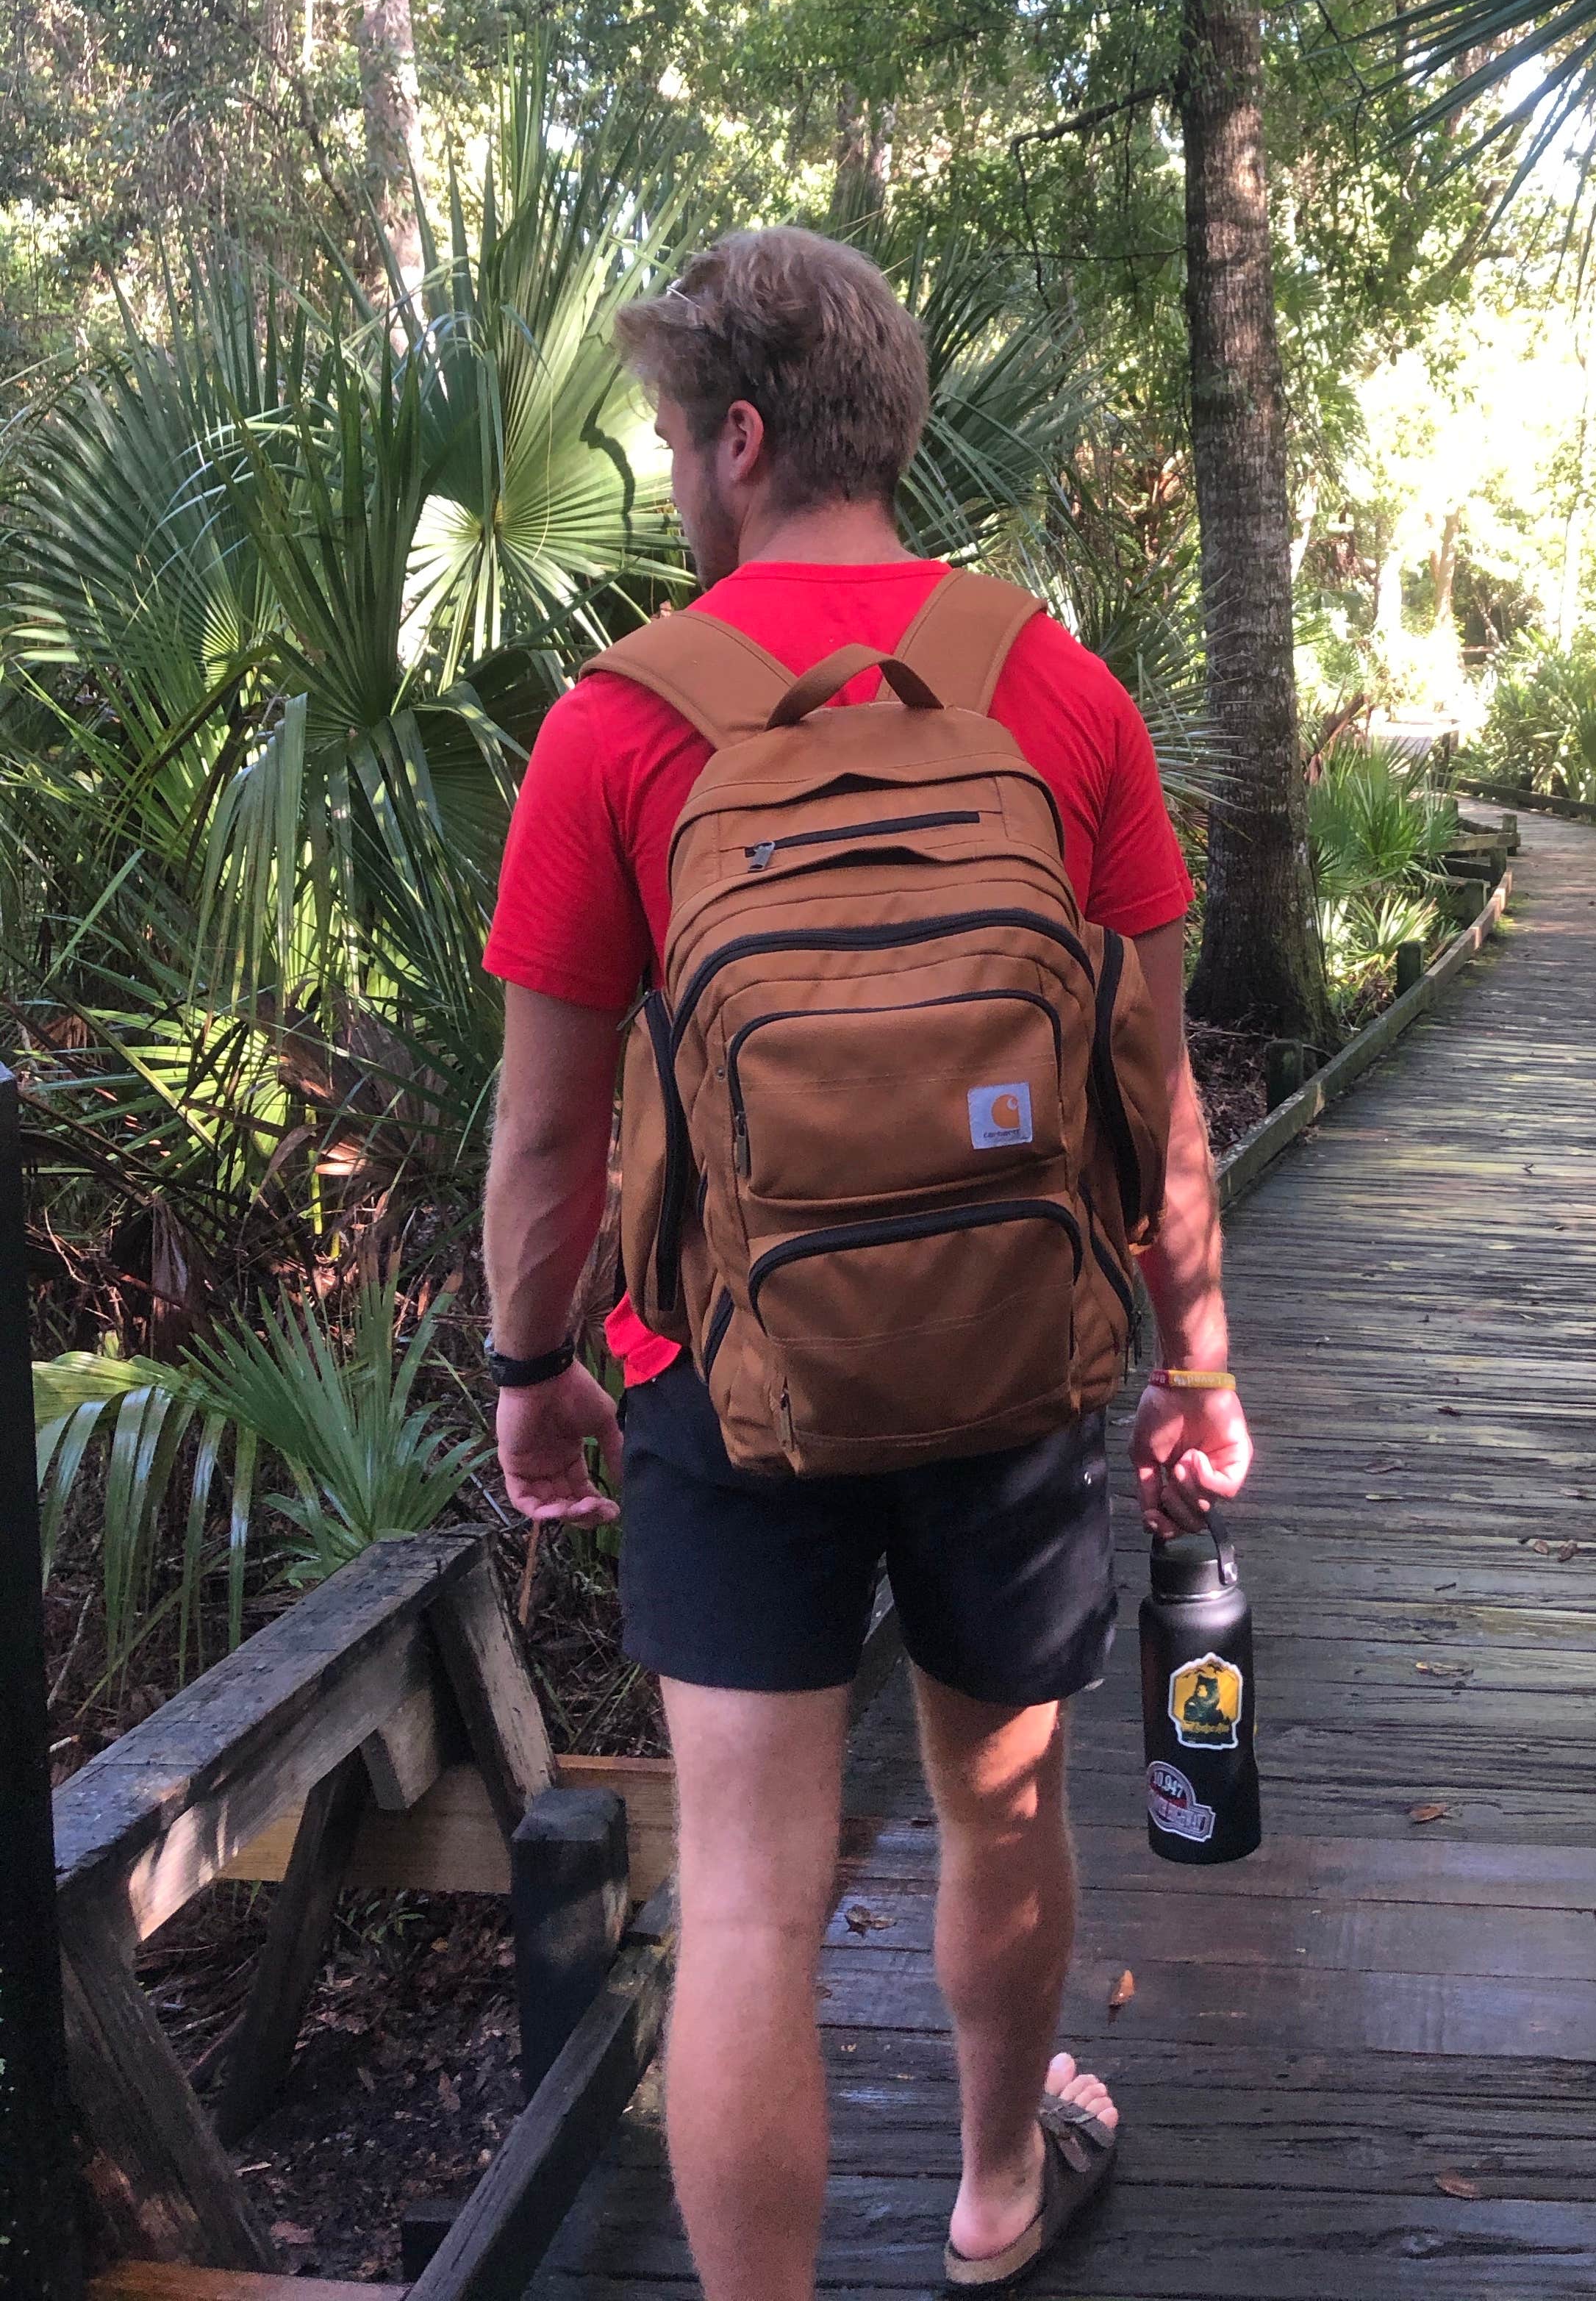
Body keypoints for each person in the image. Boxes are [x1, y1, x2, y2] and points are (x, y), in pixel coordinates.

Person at [478, 226, 1253, 2300]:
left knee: (743, 1896)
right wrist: (1196, 1367)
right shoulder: (1057, 691)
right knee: (1004, 1812)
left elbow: (552, 1128)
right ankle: (1001, 2198)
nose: (664, 477)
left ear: (738, 440)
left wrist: (530, 1361)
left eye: (662, 438)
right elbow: (1152, 1087)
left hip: (720, 1375)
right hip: (1013, 1371)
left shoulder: (622, 729)